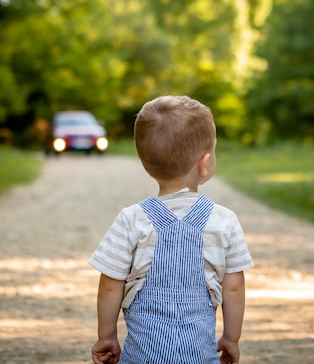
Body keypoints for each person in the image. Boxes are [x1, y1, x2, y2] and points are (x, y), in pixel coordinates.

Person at [89, 95, 254, 364]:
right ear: (205, 163)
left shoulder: (132, 219)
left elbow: (110, 284)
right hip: (200, 355)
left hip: (142, 355)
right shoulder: (224, 221)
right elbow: (233, 287)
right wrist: (231, 338)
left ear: (145, 164)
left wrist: (106, 336)